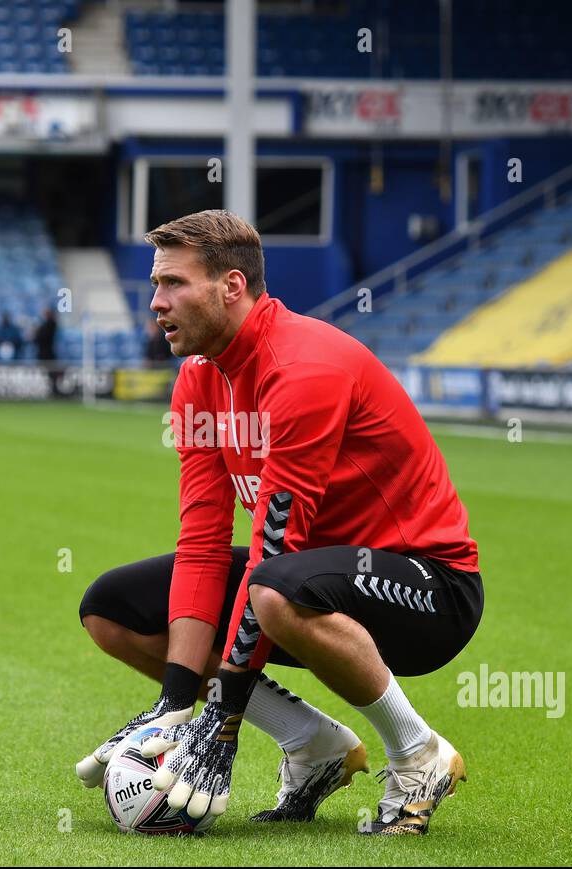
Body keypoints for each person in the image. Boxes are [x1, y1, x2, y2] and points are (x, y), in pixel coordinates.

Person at [75, 209, 483, 835]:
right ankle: (313, 744)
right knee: (113, 609)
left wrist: (226, 713)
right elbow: (204, 545)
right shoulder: (197, 379)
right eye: (157, 285)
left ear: (231, 286)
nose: (156, 302)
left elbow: (275, 546)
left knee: (273, 585)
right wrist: (178, 702)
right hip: (302, 579)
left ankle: (418, 752)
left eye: (174, 284)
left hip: (430, 588)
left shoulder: (303, 369)